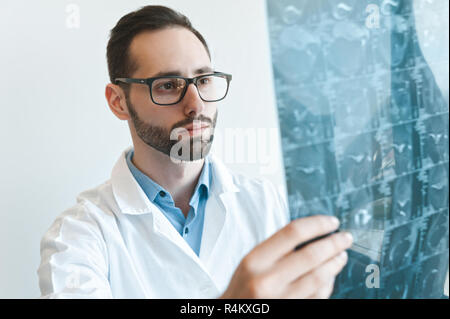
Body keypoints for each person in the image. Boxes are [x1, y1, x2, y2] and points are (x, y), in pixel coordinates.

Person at [37, 5, 353, 299]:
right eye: (168, 85)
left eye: (202, 80)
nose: (196, 105)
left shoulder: (271, 204)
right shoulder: (78, 236)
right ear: (118, 101)